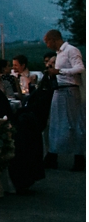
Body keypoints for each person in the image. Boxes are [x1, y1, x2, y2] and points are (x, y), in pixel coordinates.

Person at [43, 30, 85, 171]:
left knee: (72, 124)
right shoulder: (60, 54)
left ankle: (78, 157)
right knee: (56, 123)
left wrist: (60, 72)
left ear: (53, 40)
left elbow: (80, 68)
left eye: (47, 42)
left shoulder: (71, 51)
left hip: (68, 90)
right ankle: (54, 154)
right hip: (61, 90)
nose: (47, 45)